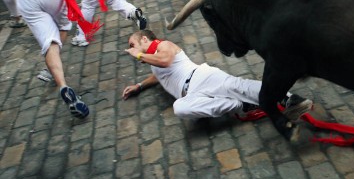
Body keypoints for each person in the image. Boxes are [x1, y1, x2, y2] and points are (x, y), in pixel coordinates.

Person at [122, 30, 313, 121]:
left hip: (200, 76)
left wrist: (138, 54)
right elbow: (159, 75)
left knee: (238, 86)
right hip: (191, 94)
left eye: (132, 44)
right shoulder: (151, 60)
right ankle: (241, 104)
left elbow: (165, 61)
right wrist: (139, 86)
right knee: (180, 108)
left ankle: (290, 99)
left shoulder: (163, 46)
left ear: (145, 39)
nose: (131, 50)